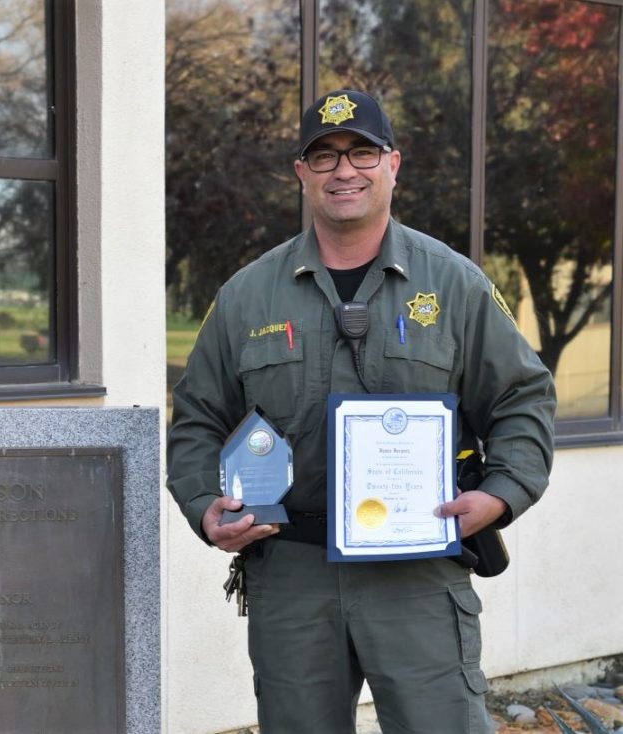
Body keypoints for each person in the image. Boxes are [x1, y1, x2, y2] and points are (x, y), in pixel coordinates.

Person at [166, 89, 556, 733]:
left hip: (419, 573)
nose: (343, 170)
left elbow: (522, 398)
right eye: (324, 156)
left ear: (393, 165)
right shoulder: (247, 296)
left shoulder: (454, 285)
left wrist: (501, 494)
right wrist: (205, 506)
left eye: (362, 153)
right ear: (302, 173)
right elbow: (197, 419)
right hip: (292, 573)